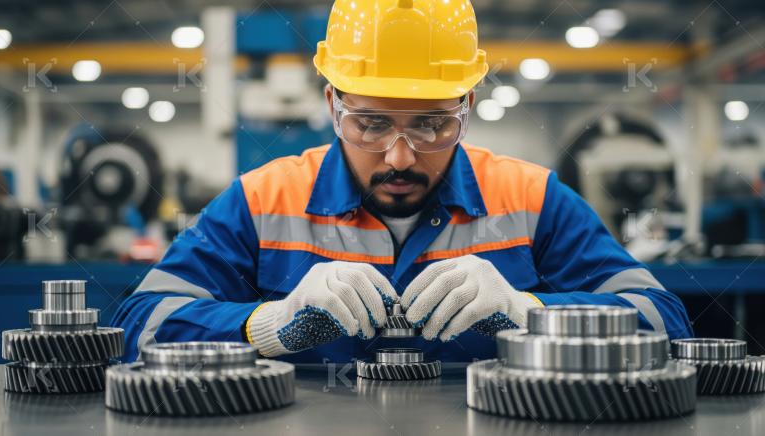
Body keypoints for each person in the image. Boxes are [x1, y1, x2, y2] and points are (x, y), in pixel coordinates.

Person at [111, 0, 692, 363]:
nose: (399, 156)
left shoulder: (532, 198)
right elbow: (139, 323)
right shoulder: (264, 199)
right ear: (332, 104)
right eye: (370, 124)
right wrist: (263, 325)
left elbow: (662, 319)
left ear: (467, 105)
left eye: (432, 125)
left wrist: (531, 312)